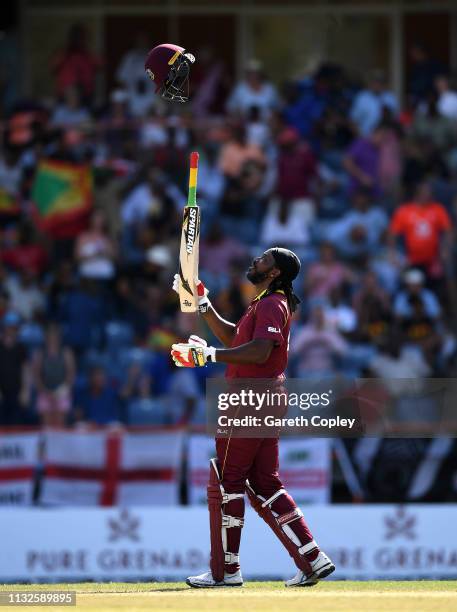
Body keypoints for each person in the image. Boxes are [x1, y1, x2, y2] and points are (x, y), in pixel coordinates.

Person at [171, 248, 335, 588]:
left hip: (249, 398)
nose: (255, 261)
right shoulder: (266, 301)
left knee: (228, 480)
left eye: (263, 260)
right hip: (263, 397)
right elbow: (237, 338)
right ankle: (312, 557)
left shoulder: (273, 303)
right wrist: (203, 303)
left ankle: (225, 571)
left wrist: (207, 355)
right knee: (265, 482)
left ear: (275, 272)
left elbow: (260, 352)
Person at [32, 323, 76, 427]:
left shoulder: (66, 352)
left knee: (59, 424)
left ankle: (60, 443)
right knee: (46, 426)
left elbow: (71, 374)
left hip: (62, 392)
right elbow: (36, 375)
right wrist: (45, 391)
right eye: (50, 336)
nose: (52, 338)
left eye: (54, 335)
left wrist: (61, 391)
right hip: (44, 392)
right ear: (46, 337)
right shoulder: (40, 353)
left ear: (59, 337)